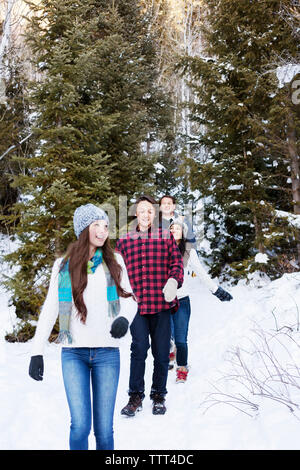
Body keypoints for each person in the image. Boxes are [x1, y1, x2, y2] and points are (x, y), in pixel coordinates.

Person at [28, 203, 137, 450]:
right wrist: (37, 352)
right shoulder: (63, 265)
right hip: (73, 353)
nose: (102, 230)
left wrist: (123, 319)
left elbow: (130, 300)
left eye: (106, 225)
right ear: (83, 229)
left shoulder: (115, 261)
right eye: (96, 225)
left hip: (107, 353)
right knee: (79, 425)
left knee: (104, 430)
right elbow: (49, 310)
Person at [116, 195, 184, 416]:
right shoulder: (124, 241)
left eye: (150, 211)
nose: (146, 214)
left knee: (162, 353)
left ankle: (158, 396)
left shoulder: (166, 237)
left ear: (154, 214)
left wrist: (174, 281)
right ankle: (135, 397)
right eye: (142, 210)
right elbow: (116, 273)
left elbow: (176, 263)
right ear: (136, 212)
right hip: (137, 307)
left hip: (162, 305)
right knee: (138, 350)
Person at [169, 218, 233, 383]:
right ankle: (170, 351)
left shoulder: (189, 251)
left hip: (181, 301)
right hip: (163, 301)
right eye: (171, 228)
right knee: (166, 336)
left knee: (181, 339)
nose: (174, 230)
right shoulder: (162, 249)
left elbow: (201, 273)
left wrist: (216, 290)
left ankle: (182, 368)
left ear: (183, 232)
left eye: (177, 228)